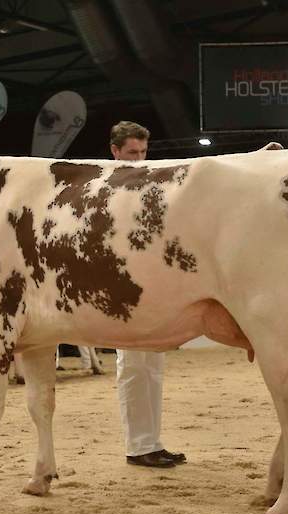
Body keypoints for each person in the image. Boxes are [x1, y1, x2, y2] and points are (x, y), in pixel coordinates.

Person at [110, 121, 185, 468]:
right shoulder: (107, 185)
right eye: (132, 152)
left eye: (143, 152)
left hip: (151, 280)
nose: (139, 158)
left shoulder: (150, 182)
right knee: (133, 365)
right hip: (121, 283)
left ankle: (151, 441)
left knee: (153, 363)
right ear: (115, 151)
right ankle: (138, 445)